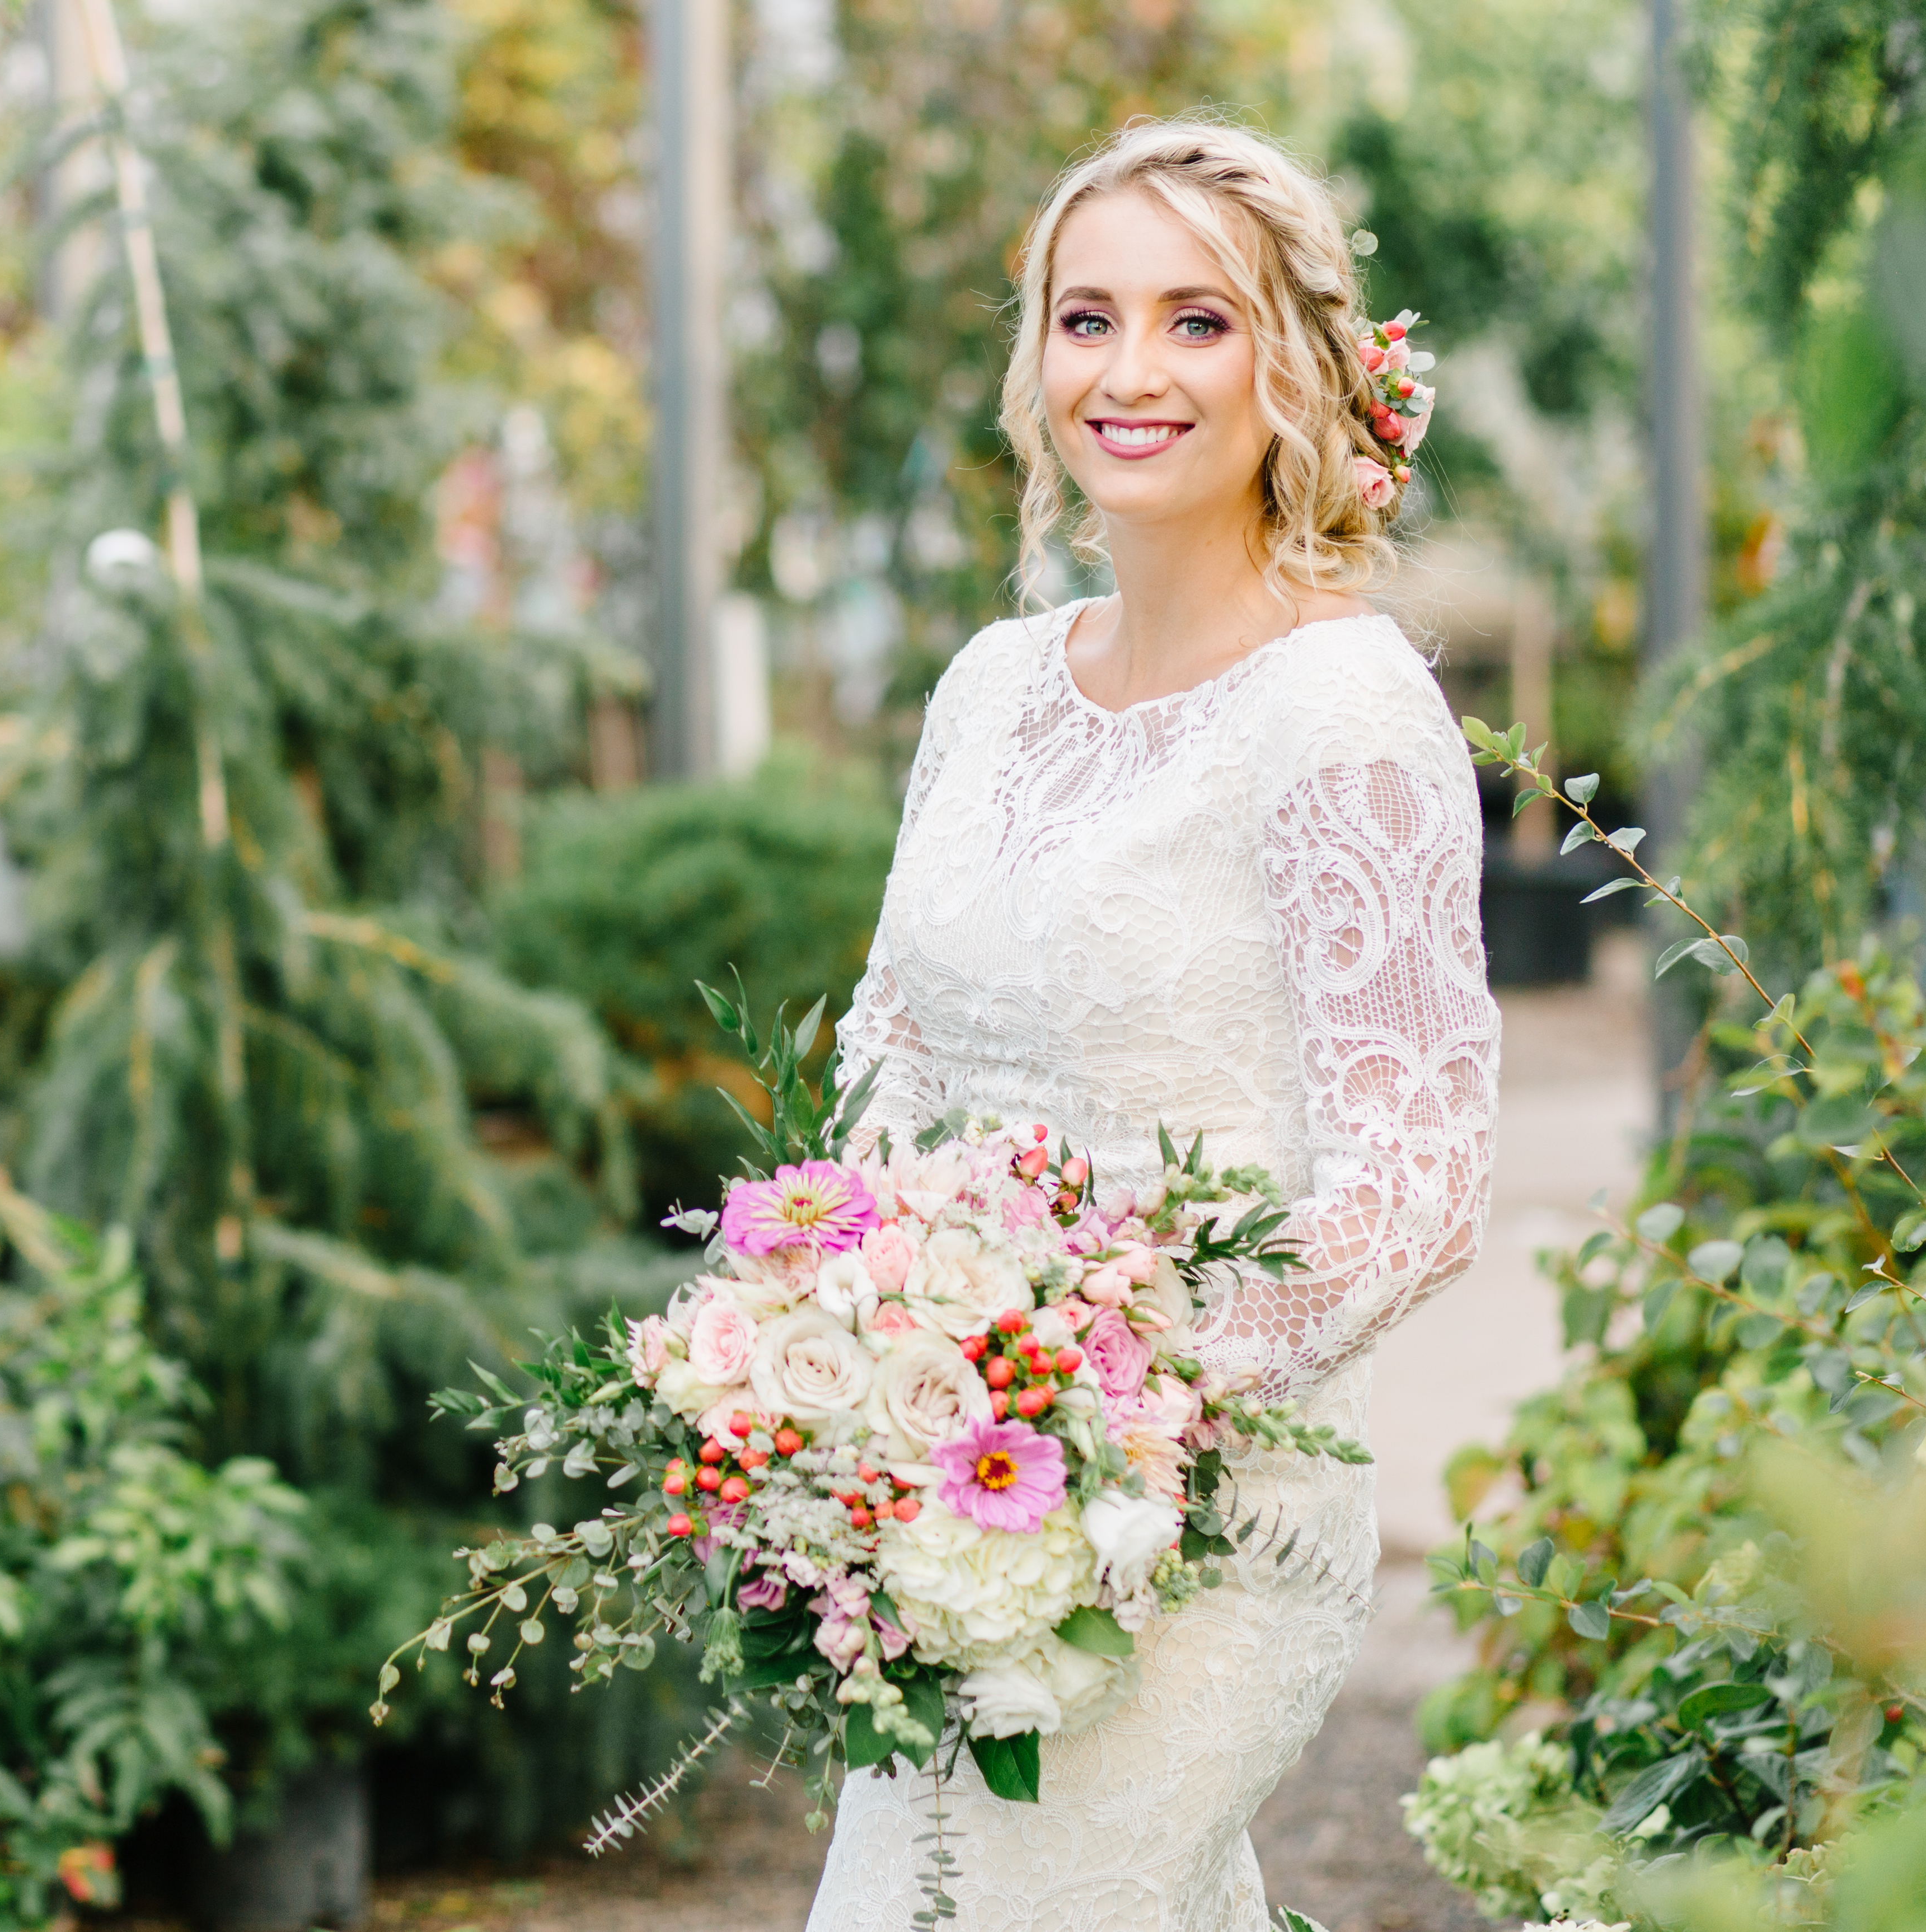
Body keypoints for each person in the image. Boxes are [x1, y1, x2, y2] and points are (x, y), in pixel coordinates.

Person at [802, 115, 1500, 1931]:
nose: (1130, 370)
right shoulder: (988, 687)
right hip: (946, 1489)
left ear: (1296, 364)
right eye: (1083, 316)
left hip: (1198, 1522)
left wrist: (1125, 1395)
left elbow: (1416, 1177)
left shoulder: (1346, 715)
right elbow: (885, 1048)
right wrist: (850, 1344)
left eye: (1197, 321)